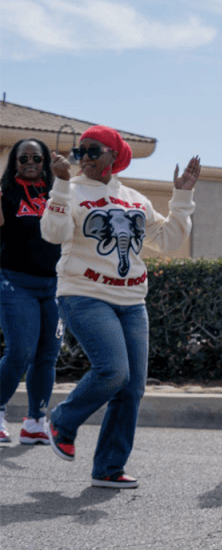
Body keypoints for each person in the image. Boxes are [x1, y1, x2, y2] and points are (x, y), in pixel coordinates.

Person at [39, 125, 201, 489]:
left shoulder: (135, 198)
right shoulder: (72, 189)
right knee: (112, 371)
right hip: (83, 294)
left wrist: (181, 196)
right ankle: (63, 420)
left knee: (132, 389)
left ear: (115, 155)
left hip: (131, 301)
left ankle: (109, 468)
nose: (84, 158)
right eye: (81, 152)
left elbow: (168, 240)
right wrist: (61, 185)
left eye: (93, 150)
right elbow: (53, 233)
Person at [0, 139, 63, 445]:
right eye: (23, 157)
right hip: (16, 282)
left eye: (36, 158)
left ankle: (35, 421)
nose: (30, 162)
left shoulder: (57, 194)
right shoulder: (5, 193)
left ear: (44, 162)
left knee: (47, 355)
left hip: (55, 286)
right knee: (20, 351)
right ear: (14, 161)